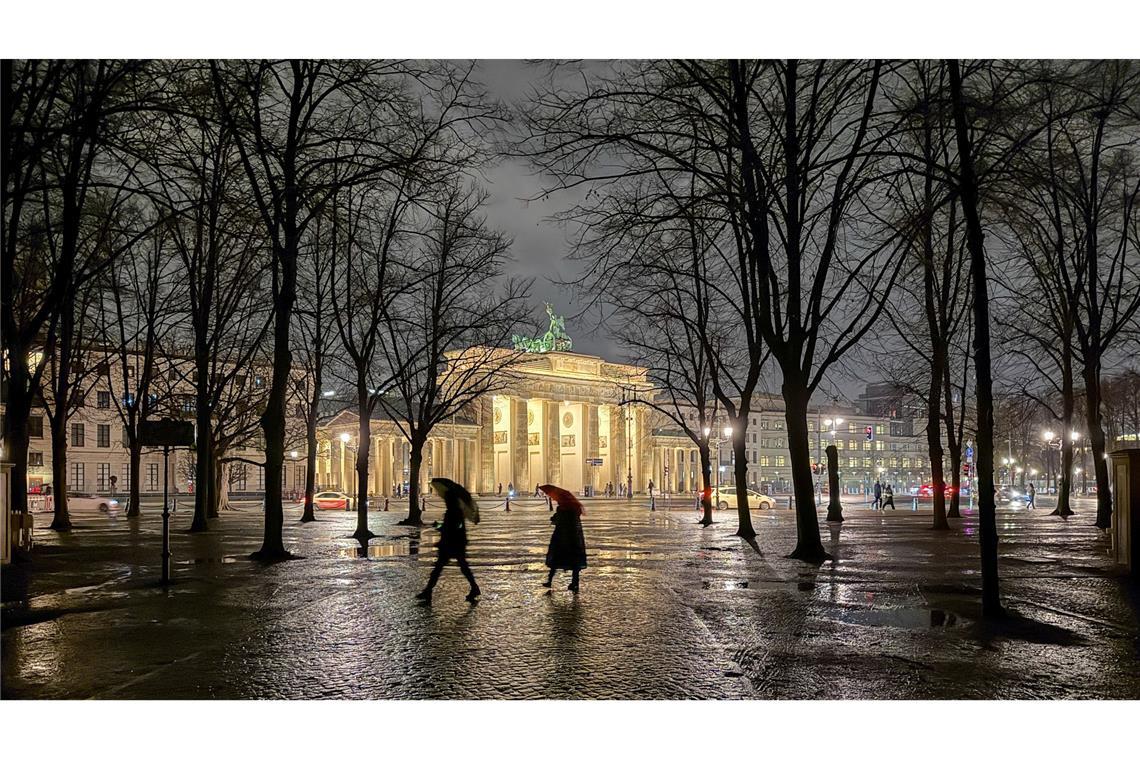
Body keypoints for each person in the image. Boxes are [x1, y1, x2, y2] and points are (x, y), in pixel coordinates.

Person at [416, 482, 480, 604]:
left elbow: (455, 526)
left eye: (446, 498)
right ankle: (428, 591)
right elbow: (450, 526)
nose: (444, 500)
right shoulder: (453, 510)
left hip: (453, 544)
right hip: (453, 543)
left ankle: (428, 591)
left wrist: (441, 527)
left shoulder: (454, 511)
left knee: (441, 569)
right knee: (457, 568)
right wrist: (439, 525)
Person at [543, 494, 587, 592]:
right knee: (574, 562)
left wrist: (553, 518)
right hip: (575, 538)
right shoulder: (575, 509)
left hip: (561, 537)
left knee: (556, 558)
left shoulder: (562, 509)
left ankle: (549, 580)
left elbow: (556, 519)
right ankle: (575, 583)